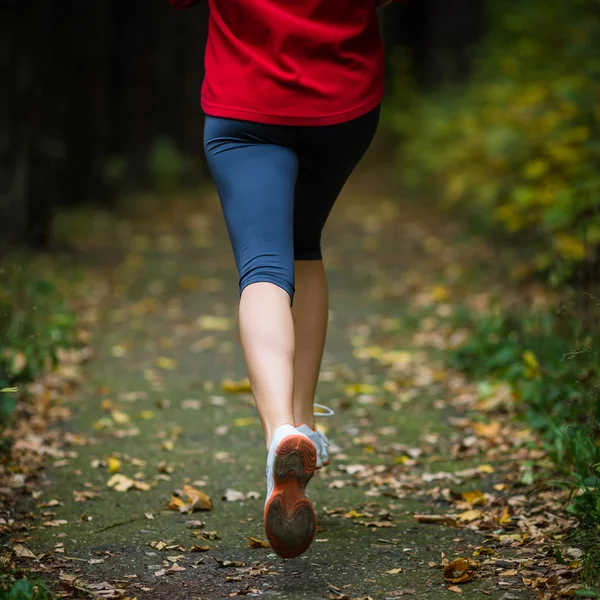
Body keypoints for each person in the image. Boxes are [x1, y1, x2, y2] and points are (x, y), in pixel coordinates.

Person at [167, 0, 393, 559]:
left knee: (265, 266)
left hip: (246, 103)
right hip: (341, 101)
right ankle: (303, 425)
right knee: (303, 242)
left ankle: (279, 436)